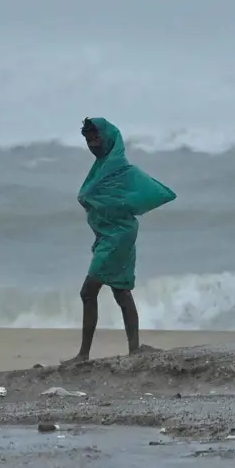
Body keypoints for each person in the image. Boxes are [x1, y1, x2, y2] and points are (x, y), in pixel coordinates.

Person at [65, 117, 177, 364]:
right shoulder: (100, 169)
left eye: (96, 138)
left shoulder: (125, 172)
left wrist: (112, 204)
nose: (92, 144)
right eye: (88, 139)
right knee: (121, 292)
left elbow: (155, 193)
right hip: (108, 236)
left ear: (109, 138)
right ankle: (134, 349)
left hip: (119, 237)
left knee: (88, 291)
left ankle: (83, 355)